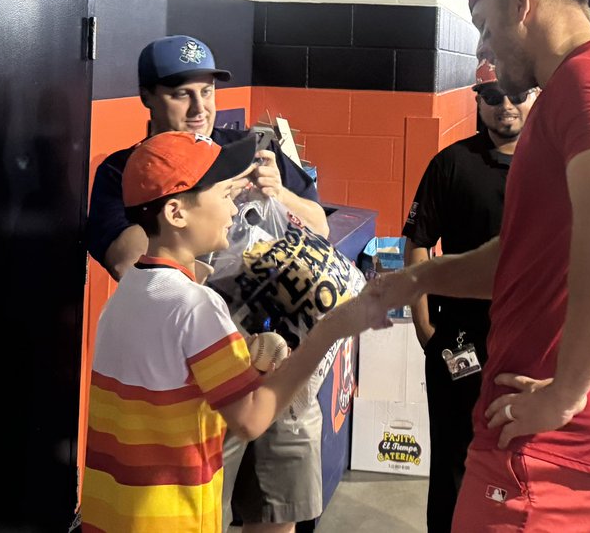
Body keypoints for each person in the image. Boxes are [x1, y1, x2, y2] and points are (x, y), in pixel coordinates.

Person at [374, 0, 590, 532]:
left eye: (484, 26)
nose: (483, 47)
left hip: (551, 444)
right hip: (552, 437)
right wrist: (424, 276)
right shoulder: (585, 86)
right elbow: (531, 258)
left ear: (521, 3)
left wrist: (566, 392)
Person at [81, 131, 387, 533]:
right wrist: (328, 332)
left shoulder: (124, 299)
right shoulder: (197, 307)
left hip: (113, 517)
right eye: (225, 194)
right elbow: (252, 420)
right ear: (176, 213)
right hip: (174, 519)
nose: (234, 208)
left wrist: (250, 350)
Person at [84, 35, 329, 533]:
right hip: (203, 375)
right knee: (202, 509)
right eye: (182, 94)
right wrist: (205, 200)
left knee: (278, 510)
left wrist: (276, 193)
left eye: (208, 92)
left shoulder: (246, 151)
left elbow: (319, 225)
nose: (200, 108)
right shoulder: (124, 171)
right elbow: (138, 263)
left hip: (280, 355)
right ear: (148, 97)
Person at [403, 61, 537, 533]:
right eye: (493, 97)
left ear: (533, 96)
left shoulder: (552, 168)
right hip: (459, 338)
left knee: (521, 461)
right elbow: (418, 242)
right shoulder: (451, 164)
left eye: (515, 95)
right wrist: (425, 330)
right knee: (454, 460)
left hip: (530, 343)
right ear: (478, 101)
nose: (506, 106)